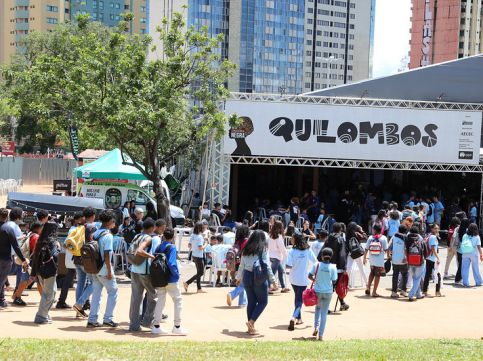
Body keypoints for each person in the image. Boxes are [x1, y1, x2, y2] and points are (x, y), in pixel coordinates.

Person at [236, 230, 276, 335]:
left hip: (247, 276)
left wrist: (238, 277)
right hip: (259, 277)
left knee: (251, 302)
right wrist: (273, 280)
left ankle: (250, 328)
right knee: (263, 302)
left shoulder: (245, 249)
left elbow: (242, 265)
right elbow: (267, 266)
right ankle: (251, 321)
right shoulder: (263, 249)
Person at [151, 227, 187, 335]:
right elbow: (171, 263)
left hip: (159, 278)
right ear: (172, 237)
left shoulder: (158, 247)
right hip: (171, 279)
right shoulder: (171, 247)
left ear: (164, 236)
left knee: (160, 301)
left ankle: (156, 326)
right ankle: (177, 326)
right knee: (178, 300)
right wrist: (176, 274)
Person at [87, 210, 119, 328]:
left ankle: (92, 319)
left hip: (94, 268)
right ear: (110, 221)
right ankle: (108, 318)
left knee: (96, 294)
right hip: (104, 269)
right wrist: (110, 271)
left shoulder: (95, 233)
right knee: (113, 292)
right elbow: (107, 255)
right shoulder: (108, 236)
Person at [128, 218, 159, 331]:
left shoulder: (137, 236)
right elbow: (139, 251)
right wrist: (151, 256)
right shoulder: (149, 238)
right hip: (145, 272)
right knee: (154, 295)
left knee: (136, 299)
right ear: (152, 228)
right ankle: (147, 321)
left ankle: (134, 325)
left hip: (134, 270)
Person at [30, 222, 60, 324]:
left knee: (51, 293)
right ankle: (41, 316)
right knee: (49, 294)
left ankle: (45, 314)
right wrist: (58, 248)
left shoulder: (40, 240)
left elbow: (35, 258)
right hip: (49, 271)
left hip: (40, 271)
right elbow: (55, 256)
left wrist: (33, 273)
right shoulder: (52, 241)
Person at [286, 233, 317, 331]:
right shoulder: (308, 250)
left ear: (296, 240)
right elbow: (315, 262)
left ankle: (299, 318)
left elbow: (288, 265)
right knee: (299, 300)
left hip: (293, 279)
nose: (291, 239)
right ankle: (294, 317)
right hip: (303, 279)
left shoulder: (292, 251)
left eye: (292, 238)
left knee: (297, 298)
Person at [0, 208, 29, 309]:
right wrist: (23, 259)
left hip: (7, 257)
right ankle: (7, 298)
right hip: (7, 258)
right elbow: (15, 245)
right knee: (3, 279)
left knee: (2, 280)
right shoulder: (10, 228)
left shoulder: (8, 227)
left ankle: (2, 300)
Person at [309, 248, 338, 341]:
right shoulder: (333, 267)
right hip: (328, 292)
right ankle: (321, 335)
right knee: (324, 313)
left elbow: (309, 275)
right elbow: (334, 280)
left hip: (317, 291)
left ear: (322, 255)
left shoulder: (316, 265)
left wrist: (314, 280)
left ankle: (316, 327)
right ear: (331, 256)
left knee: (317, 309)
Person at [11, 222, 44, 305]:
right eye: (41, 228)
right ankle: (17, 297)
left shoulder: (30, 234)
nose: (42, 230)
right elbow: (36, 250)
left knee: (32, 280)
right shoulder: (35, 237)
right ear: (37, 228)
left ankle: (16, 296)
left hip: (29, 261)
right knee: (30, 280)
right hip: (33, 262)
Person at [322, 223, 350, 311]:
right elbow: (342, 254)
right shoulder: (340, 239)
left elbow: (323, 251)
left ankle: (342, 303)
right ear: (340, 229)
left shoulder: (328, 239)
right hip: (337, 267)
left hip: (327, 265)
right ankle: (336, 304)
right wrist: (344, 266)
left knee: (330, 286)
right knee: (337, 286)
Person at [227, 225, 249, 307]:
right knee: (244, 283)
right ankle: (232, 294)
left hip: (236, 263)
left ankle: (242, 302)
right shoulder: (246, 241)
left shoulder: (237, 241)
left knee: (241, 282)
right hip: (244, 264)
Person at [363, 224, 388, 297]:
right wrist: (388, 256)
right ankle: (374, 292)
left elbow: (366, 248)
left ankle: (368, 287)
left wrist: (364, 258)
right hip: (379, 260)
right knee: (377, 275)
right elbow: (386, 249)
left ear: (374, 230)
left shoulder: (370, 237)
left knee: (372, 273)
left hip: (372, 259)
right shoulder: (383, 238)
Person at [184, 222, 207, 293]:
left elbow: (189, 246)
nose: (204, 229)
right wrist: (206, 243)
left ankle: (199, 288)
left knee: (198, 272)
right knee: (201, 273)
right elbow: (201, 248)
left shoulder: (193, 235)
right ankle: (187, 282)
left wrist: (194, 246)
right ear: (200, 228)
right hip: (199, 256)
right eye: (203, 227)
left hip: (194, 255)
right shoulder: (200, 237)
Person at [406, 226, 427, 301]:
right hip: (419, 262)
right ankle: (411, 295)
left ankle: (418, 294)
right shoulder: (421, 239)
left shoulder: (407, 238)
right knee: (417, 279)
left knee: (415, 278)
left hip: (410, 262)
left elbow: (405, 250)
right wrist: (425, 257)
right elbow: (425, 252)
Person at [268, 221, 289, 294]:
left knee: (280, 271)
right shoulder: (279, 236)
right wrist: (286, 255)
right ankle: (268, 288)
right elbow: (282, 248)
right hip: (277, 257)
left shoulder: (270, 235)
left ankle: (283, 287)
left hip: (271, 256)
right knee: (272, 273)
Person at [388, 224, 409, 298]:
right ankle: (403, 291)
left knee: (395, 275)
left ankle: (394, 292)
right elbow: (407, 249)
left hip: (394, 259)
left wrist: (389, 255)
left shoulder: (394, 236)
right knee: (405, 275)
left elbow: (389, 247)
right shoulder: (406, 237)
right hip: (403, 259)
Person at [345, 223, 367, 289]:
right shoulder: (357, 234)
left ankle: (347, 284)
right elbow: (365, 237)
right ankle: (367, 283)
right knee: (361, 268)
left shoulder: (346, 235)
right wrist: (361, 230)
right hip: (357, 253)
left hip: (350, 254)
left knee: (348, 269)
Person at [422, 224, 442, 297]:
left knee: (427, 275)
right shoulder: (433, 237)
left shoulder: (430, 235)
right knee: (438, 275)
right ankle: (437, 292)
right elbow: (433, 249)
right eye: (435, 228)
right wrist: (438, 258)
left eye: (438, 228)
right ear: (432, 229)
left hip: (429, 258)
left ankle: (424, 291)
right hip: (433, 259)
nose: (437, 230)